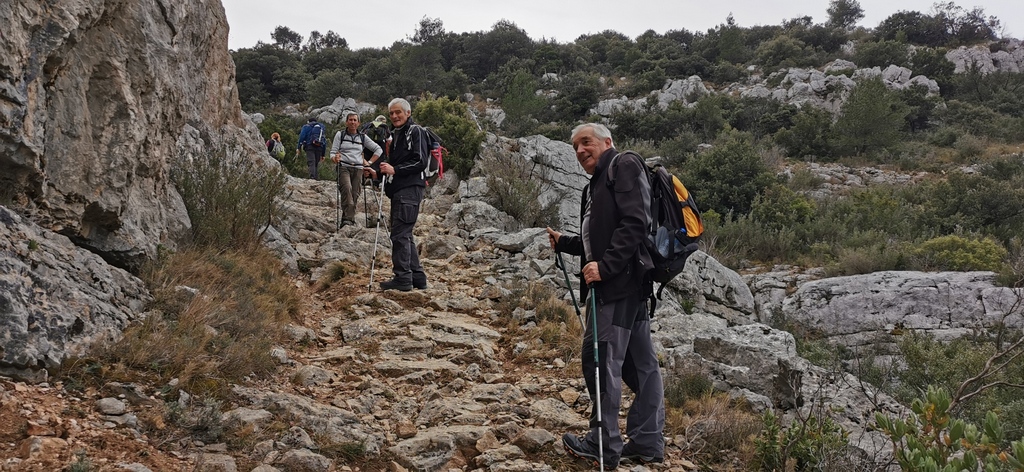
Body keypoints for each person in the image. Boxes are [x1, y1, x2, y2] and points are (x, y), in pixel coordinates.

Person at [546, 123, 665, 469]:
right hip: (629, 285)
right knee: (642, 366)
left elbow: (635, 222)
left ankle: (603, 444)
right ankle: (646, 442)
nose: (581, 150)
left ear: (607, 141)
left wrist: (607, 267)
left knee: (600, 361)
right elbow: (600, 239)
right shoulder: (598, 183)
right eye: (575, 147)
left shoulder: (623, 164)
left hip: (615, 286)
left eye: (587, 142)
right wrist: (566, 242)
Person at [378, 98, 429, 292]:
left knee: (399, 235)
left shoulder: (415, 131)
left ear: (408, 113)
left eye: (398, 112)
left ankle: (403, 278)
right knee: (405, 234)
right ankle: (417, 277)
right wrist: (378, 172)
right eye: (391, 113)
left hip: (409, 189)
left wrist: (395, 169)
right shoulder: (398, 134)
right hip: (404, 189)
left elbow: (420, 161)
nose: (394, 116)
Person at [330, 112, 383, 227]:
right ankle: (349, 220)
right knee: (347, 190)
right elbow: (333, 152)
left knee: (355, 194)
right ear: (346, 122)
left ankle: (347, 219)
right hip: (344, 166)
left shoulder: (363, 137)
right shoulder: (340, 135)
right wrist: (335, 158)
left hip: (358, 168)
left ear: (358, 123)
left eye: (355, 120)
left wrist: (368, 163)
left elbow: (378, 149)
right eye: (350, 120)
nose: (352, 122)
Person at [360, 115, 392, 187]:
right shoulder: (384, 127)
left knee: (366, 164)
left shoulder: (369, 125)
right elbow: (389, 141)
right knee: (378, 165)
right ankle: (375, 182)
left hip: (367, 147)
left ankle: (363, 180)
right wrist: (388, 154)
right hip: (380, 147)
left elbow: (361, 135)